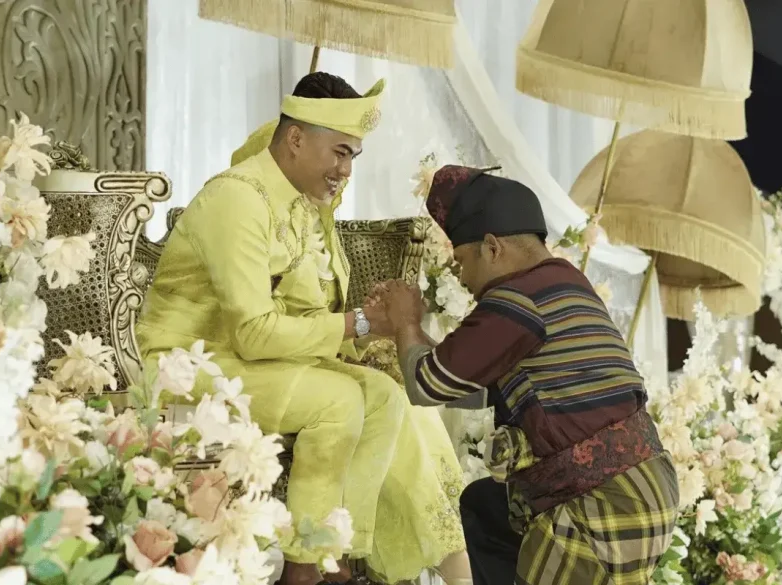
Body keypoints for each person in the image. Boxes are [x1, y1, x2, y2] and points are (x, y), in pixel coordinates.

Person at [136, 73, 470, 585]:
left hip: (246, 363)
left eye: (352, 157)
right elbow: (251, 332)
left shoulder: (299, 206)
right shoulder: (238, 198)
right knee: (337, 401)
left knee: (382, 394)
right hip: (185, 364)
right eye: (339, 152)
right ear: (295, 139)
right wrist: (358, 323)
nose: (345, 170)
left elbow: (303, 316)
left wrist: (366, 325)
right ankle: (303, 567)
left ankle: (341, 557)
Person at [365, 165, 679, 585]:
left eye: (461, 262)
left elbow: (427, 385)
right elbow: (475, 391)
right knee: (484, 507)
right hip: (645, 488)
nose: (464, 280)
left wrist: (406, 322)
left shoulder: (515, 300)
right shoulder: (565, 281)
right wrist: (408, 335)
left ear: (492, 248)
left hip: (606, 505)